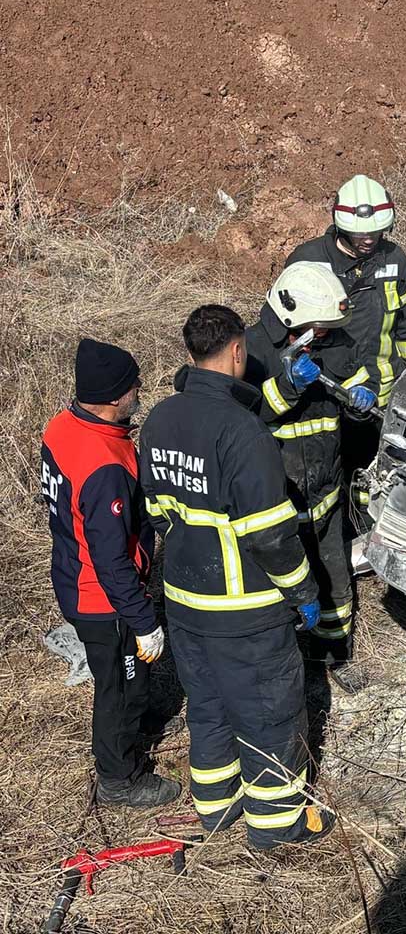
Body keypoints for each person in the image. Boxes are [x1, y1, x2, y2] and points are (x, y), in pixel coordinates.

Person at [139, 305, 332, 849]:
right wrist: (304, 591)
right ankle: (278, 827)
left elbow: (156, 511)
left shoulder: (159, 419)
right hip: (244, 608)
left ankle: (217, 811)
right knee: (268, 711)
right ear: (238, 350)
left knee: (208, 707)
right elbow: (271, 535)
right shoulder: (242, 432)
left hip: (182, 600)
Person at [40, 339, 181, 808]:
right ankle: (120, 776)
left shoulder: (62, 428)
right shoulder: (104, 466)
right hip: (104, 599)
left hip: (71, 573)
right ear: (115, 395)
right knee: (119, 685)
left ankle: (136, 718)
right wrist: (143, 621)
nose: (140, 390)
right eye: (134, 385)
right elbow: (111, 559)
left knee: (120, 677)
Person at [246, 261, 375, 692]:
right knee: (282, 586)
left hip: (325, 491)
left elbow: (359, 376)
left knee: (334, 576)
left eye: (326, 327)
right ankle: (288, 663)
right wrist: (285, 387)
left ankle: (335, 656)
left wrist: (362, 395)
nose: (323, 334)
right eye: (316, 327)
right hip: (278, 502)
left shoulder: (335, 341)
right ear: (289, 316)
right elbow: (243, 417)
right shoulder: (251, 352)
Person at [284, 175, 406, 530]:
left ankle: (367, 529)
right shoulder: (308, 260)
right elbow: (285, 327)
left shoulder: (396, 261)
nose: (368, 240)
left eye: (376, 233)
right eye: (359, 234)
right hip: (323, 392)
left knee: (373, 469)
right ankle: (332, 534)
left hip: (378, 390)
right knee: (327, 471)